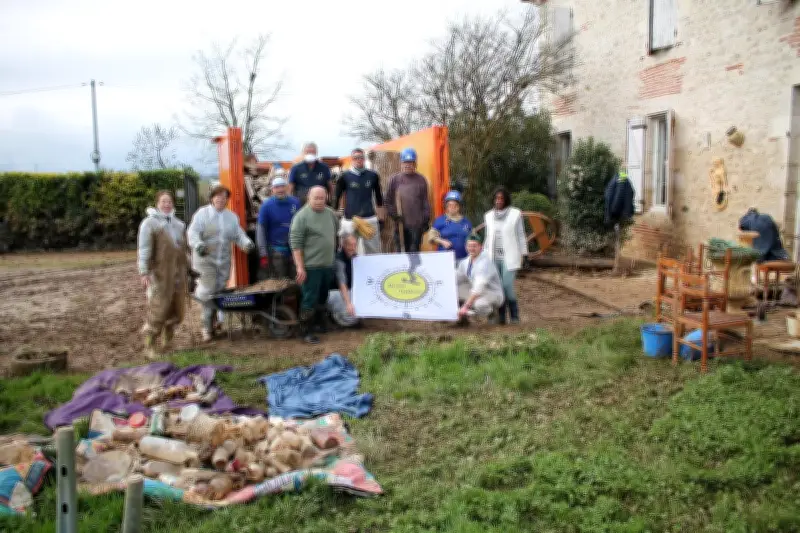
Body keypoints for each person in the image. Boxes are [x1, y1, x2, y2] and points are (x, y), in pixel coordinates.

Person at [188, 185, 254, 342]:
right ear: (212, 198)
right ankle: (206, 328)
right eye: (217, 196)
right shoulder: (202, 214)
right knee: (207, 292)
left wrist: (246, 243)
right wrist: (198, 245)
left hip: (223, 261)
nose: (221, 199)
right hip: (205, 260)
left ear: (227, 199)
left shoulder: (231, 217)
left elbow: (238, 235)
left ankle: (217, 322)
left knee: (218, 291)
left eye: (224, 197)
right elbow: (192, 232)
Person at [137, 190, 189, 359]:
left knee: (176, 308)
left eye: (169, 202)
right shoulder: (150, 224)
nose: (167, 205)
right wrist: (144, 271)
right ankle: (149, 345)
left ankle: (168, 343)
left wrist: (190, 268)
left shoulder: (179, 225)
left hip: (178, 274)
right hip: (160, 274)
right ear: (157, 204)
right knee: (159, 308)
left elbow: (183, 250)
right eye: (163, 202)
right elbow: (144, 249)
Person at [289, 186, 339, 344]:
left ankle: (319, 324)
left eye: (322, 198)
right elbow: (296, 245)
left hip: (327, 264)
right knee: (309, 298)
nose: (319, 201)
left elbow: (336, 234)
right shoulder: (301, 217)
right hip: (310, 266)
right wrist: (300, 267)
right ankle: (305, 330)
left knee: (323, 296)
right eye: (315, 198)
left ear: (326, 198)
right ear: (308, 198)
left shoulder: (330, 214)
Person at [483, 187, 527, 325]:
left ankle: (514, 316)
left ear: (506, 200)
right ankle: (501, 316)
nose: (499, 201)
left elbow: (521, 235)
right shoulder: (488, 215)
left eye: (501, 198)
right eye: (496, 198)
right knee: (497, 287)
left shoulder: (516, 214)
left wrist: (524, 254)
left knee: (507, 286)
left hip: (510, 257)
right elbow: (487, 237)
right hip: (493, 257)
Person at [333, 148, 384, 254]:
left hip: (369, 218)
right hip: (350, 220)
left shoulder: (373, 175)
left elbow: (379, 198)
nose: (358, 160)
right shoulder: (344, 176)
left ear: (364, 159)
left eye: (361, 157)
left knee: (373, 251)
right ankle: (349, 271)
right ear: (352, 159)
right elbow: (337, 197)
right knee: (349, 251)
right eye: (356, 158)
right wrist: (335, 214)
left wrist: (381, 217)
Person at [385, 148, 431, 253]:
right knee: (401, 253)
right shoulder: (395, 179)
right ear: (401, 163)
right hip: (400, 225)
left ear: (415, 164)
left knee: (414, 253)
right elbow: (388, 200)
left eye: (410, 163)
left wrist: (426, 220)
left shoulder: (421, 179)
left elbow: (425, 201)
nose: (407, 165)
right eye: (405, 162)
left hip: (416, 225)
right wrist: (394, 215)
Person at [256, 177, 301, 280]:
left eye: (282, 186)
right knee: (280, 282)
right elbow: (260, 230)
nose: (280, 190)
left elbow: (301, 226)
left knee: (296, 281)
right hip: (276, 251)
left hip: (295, 250)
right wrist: (263, 254)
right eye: (277, 187)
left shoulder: (295, 203)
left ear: (287, 187)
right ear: (272, 190)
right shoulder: (266, 206)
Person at [456, 234, 505, 324]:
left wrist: (466, 306)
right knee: (453, 291)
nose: (471, 248)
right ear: (466, 247)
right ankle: (463, 319)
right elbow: (457, 278)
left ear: (481, 247)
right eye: (469, 246)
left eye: (474, 246)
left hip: (492, 293)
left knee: (480, 304)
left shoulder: (485, 263)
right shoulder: (464, 262)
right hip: (476, 290)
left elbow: (479, 287)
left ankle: (492, 313)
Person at [429, 190, 473, 261]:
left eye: (455, 205)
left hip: (464, 259)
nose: (452, 207)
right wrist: (442, 241)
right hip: (445, 259)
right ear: (446, 206)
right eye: (450, 205)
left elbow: (472, 238)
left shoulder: (466, 222)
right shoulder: (439, 220)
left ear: (459, 206)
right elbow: (431, 237)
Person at [328, 233, 360, 328]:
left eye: (355, 245)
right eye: (350, 245)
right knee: (352, 318)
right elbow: (342, 282)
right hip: (334, 292)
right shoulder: (339, 260)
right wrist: (348, 304)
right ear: (344, 245)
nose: (353, 248)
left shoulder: (355, 257)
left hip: (348, 291)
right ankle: (335, 317)